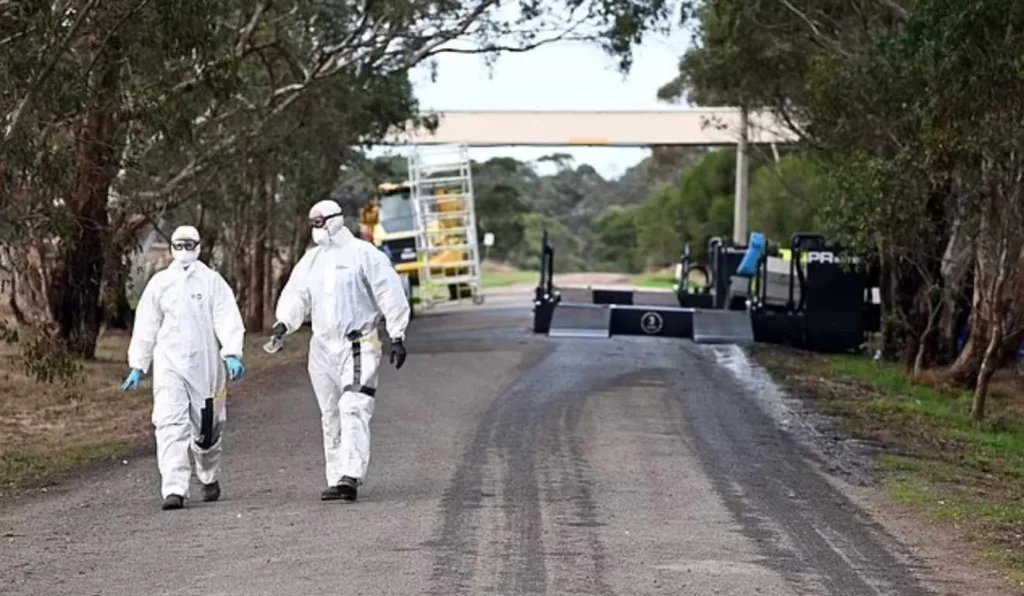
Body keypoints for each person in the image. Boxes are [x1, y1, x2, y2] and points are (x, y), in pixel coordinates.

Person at [267, 199, 409, 502]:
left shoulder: (363, 254)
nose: (315, 228)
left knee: (353, 406)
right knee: (330, 413)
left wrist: (397, 334)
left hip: (359, 343)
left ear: (334, 220)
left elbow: (389, 291)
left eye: (318, 221)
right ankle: (336, 477)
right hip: (321, 347)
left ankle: (351, 474)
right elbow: (297, 295)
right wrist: (284, 324)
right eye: (311, 222)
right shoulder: (311, 261)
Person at [121, 225, 247, 511]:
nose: (185, 248)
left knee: (208, 431)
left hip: (206, 367)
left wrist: (232, 353)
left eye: (190, 243)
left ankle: (208, 474)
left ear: (199, 245)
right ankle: (174, 488)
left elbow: (227, 317)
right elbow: (146, 325)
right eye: (180, 243)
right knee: (169, 423)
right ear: (172, 246)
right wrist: (138, 364)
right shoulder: (160, 284)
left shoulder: (212, 282)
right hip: (170, 364)